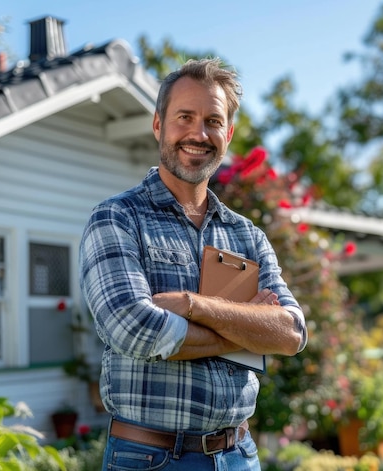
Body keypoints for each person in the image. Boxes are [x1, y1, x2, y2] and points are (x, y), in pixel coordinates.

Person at [79, 58, 307, 471]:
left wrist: (193, 305)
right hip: (151, 457)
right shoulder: (117, 218)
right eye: (184, 117)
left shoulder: (247, 235)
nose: (198, 133)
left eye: (213, 121)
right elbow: (135, 329)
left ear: (229, 134)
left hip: (239, 455)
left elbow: (291, 332)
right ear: (158, 124)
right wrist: (247, 330)